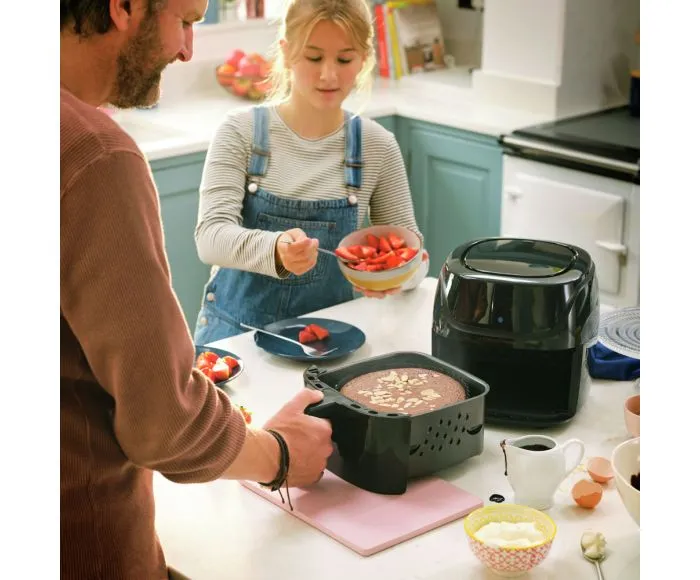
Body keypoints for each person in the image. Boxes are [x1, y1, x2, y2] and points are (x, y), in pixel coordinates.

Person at [60, 1, 332, 578]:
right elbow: (165, 424)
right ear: (124, 7)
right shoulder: (92, 156)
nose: (188, 50)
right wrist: (280, 453)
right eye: (185, 20)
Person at [193, 0, 429, 344]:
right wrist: (276, 249)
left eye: (344, 60)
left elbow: (411, 257)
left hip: (327, 345)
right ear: (287, 52)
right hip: (234, 340)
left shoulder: (378, 146)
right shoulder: (240, 132)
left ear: (363, 59)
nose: (329, 75)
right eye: (314, 58)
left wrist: (395, 278)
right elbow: (210, 237)